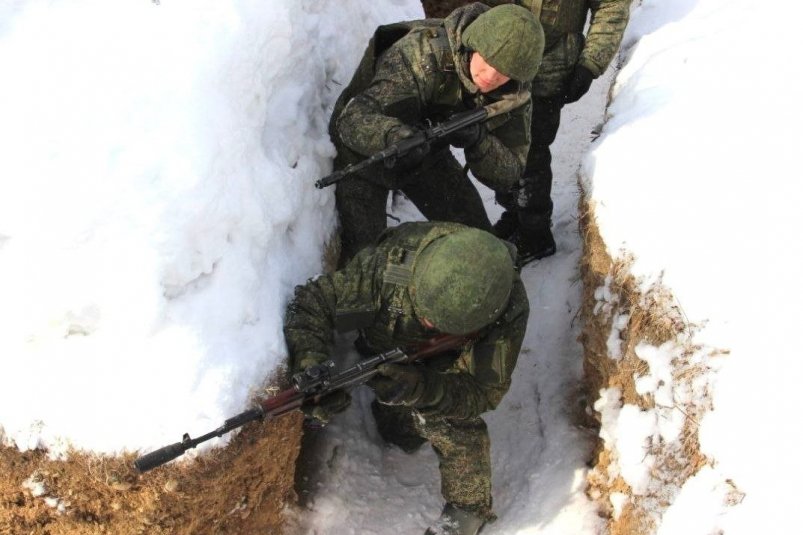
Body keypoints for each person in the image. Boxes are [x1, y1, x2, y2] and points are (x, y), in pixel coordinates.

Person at [284, 221, 529, 535]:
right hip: (387, 343)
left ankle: (468, 508)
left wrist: (424, 388)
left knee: (449, 416)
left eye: (438, 322)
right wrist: (311, 361)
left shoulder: (506, 308)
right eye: (424, 311)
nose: (427, 322)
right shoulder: (388, 268)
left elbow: (482, 392)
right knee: (399, 433)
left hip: (446, 365)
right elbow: (311, 301)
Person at [329, 3, 545, 265]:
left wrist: (479, 141)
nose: (490, 77)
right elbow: (352, 120)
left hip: (428, 154)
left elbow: (509, 173)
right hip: (366, 155)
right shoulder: (422, 55)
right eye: (487, 61)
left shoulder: (514, 94)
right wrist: (395, 136)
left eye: (503, 74)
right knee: (365, 262)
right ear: (472, 43)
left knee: (484, 250)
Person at [483, 0, 631, 265]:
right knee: (497, 143)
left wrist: (590, 64)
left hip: (548, 69)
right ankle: (515, 213)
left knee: (531, 152)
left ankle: (535, 234)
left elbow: (612, 6)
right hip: (496, 56)